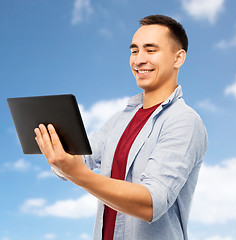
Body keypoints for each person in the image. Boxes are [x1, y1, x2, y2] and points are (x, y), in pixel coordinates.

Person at [34, 15, 208, 240]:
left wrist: (77, 173)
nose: (139, 60)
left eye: (150, 50)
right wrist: (59, 153)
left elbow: (151, 204)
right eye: (134, 51)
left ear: (178, 58)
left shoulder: (184, 121)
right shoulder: (120, 120)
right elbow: (79, 159)